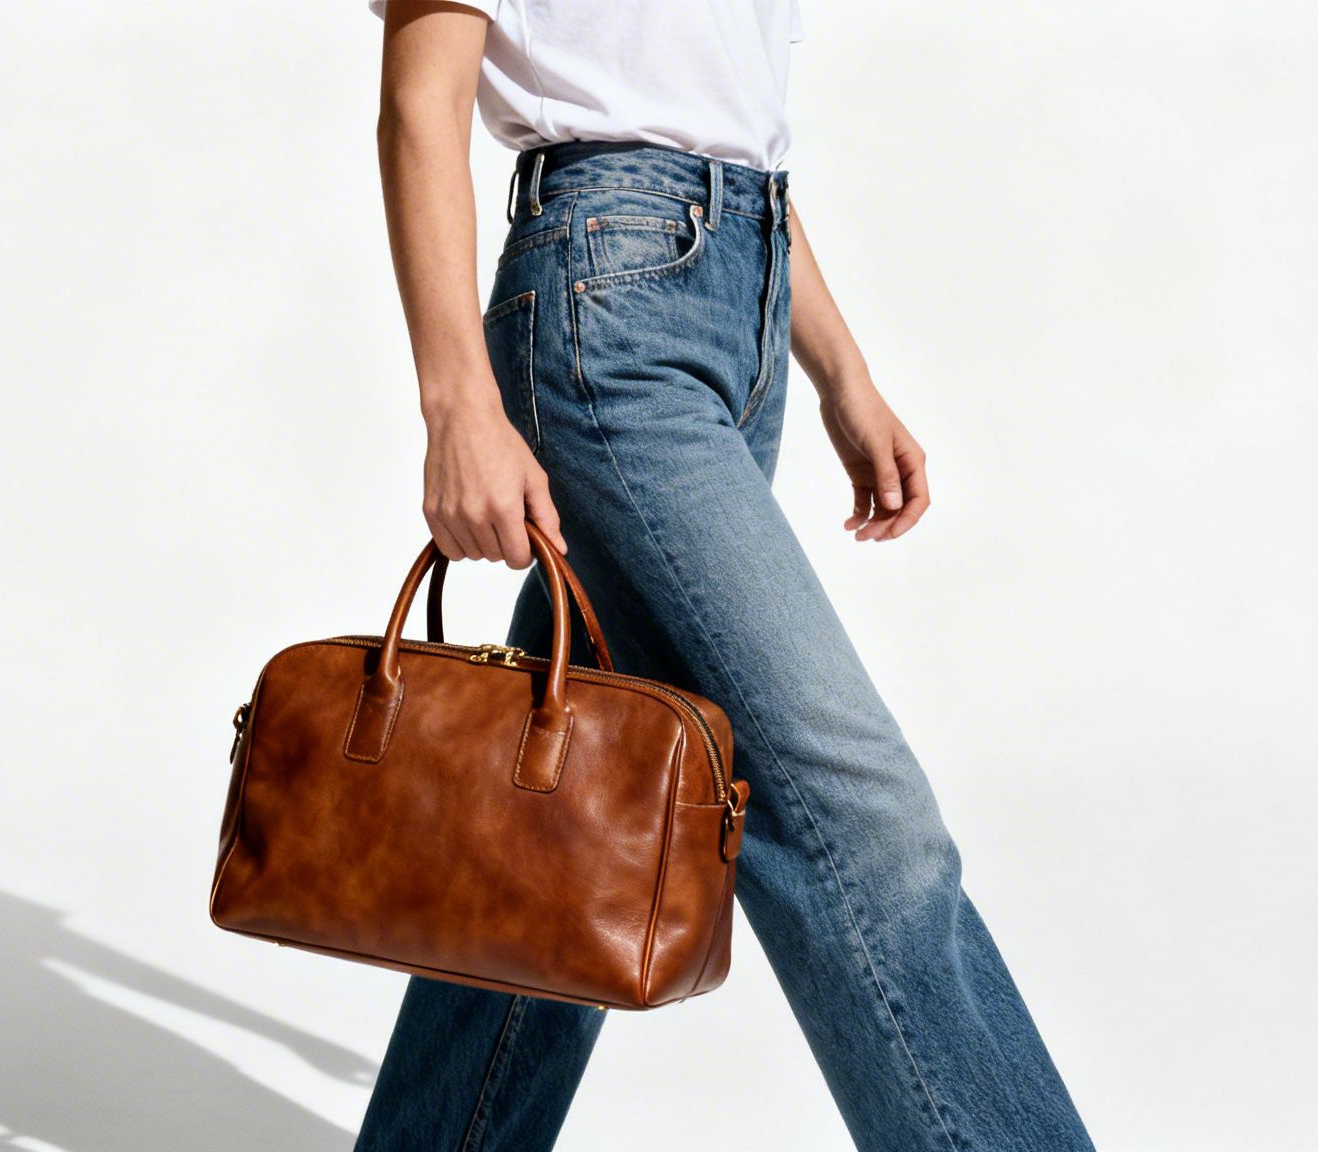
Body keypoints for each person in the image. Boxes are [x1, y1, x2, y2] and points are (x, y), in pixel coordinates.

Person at [358, 3, 1098, 1149]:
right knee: (860, 815)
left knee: (560, 819)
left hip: (733, 298)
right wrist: (456, 403)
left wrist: (840, 373)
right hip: (604, 308)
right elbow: (421, 97)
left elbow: (726, 142)